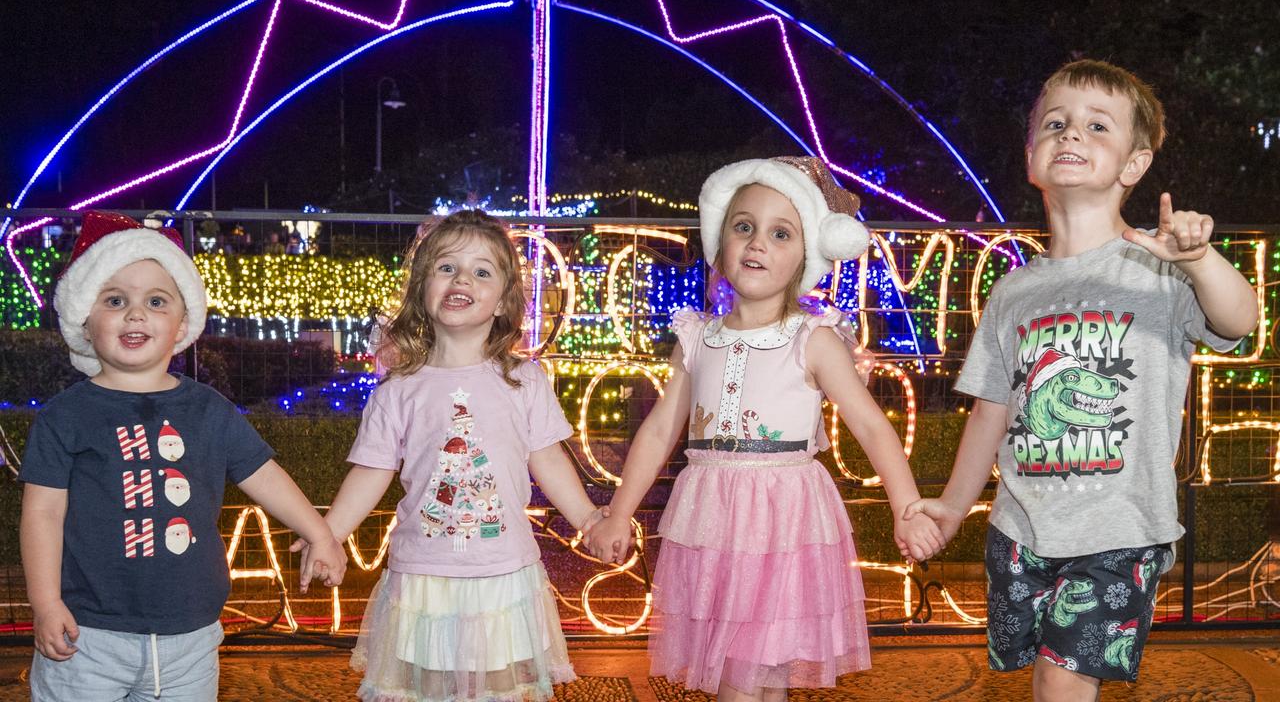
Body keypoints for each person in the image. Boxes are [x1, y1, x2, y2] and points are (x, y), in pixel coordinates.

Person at [905, 60, 1259, 699]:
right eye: (1056, 123)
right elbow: (991, 408)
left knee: (1061, 679)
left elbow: (1240, 319)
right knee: (1043, 677)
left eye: (1098, 125)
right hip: (1021, 527)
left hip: (1121, 529)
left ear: (1133, 165)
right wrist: (954, 507)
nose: (1072, 134)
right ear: (1032, 157)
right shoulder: (1012, 291)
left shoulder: (1160, 269)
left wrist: (1201, 261)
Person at [584, 157, 945, 701]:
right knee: (743, 673)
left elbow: (871, 426)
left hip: (785, 522)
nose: (757, 244)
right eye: (744, 226)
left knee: (760, 674)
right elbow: (659, 433)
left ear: (806, 255)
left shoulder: (814, 339)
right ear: (720, 240)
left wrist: (907, 506)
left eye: (781, 233)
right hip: (711, 521)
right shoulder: (696, 338)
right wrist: (618, 514)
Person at [19, 210, 347, 701]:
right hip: (87, 638)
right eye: (115, 300)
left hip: (191, 640)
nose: (135, 314)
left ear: (182, 322)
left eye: (156, 301)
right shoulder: (64, 417)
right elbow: (41, 513)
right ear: (85, 321)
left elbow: (264, 474)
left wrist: (319, 532)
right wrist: (44, 604)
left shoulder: (209, 410)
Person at [292, 210, 609, 702]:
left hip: (502, 573)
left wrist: (589, 519)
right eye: (446, 267)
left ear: (503, 301)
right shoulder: (396, 391)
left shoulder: (524, 380)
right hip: (423, 578)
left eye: (482, 271)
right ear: (422, 288)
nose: (462, 278)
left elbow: (546, 458)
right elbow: (372, 471)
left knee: (501, 692)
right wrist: (329, 533)